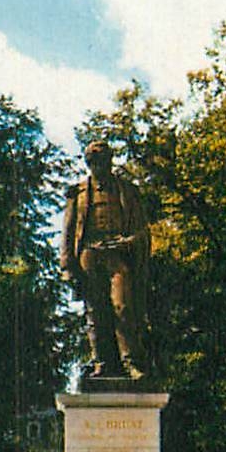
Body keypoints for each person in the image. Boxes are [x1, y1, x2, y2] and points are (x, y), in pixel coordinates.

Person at [60, 141, 150, 381]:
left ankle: (130, 362)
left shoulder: (127, 191)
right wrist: (67, 267)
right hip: (89, 255)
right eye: (94, 162)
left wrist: (130, 241)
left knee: (123, 306)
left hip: (118, 254)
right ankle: (101, 362)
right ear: (89, 164)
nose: (99, 167)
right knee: (95, 311)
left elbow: (142, 229)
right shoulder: (78, 193)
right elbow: (68, 233)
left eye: (103, 161)